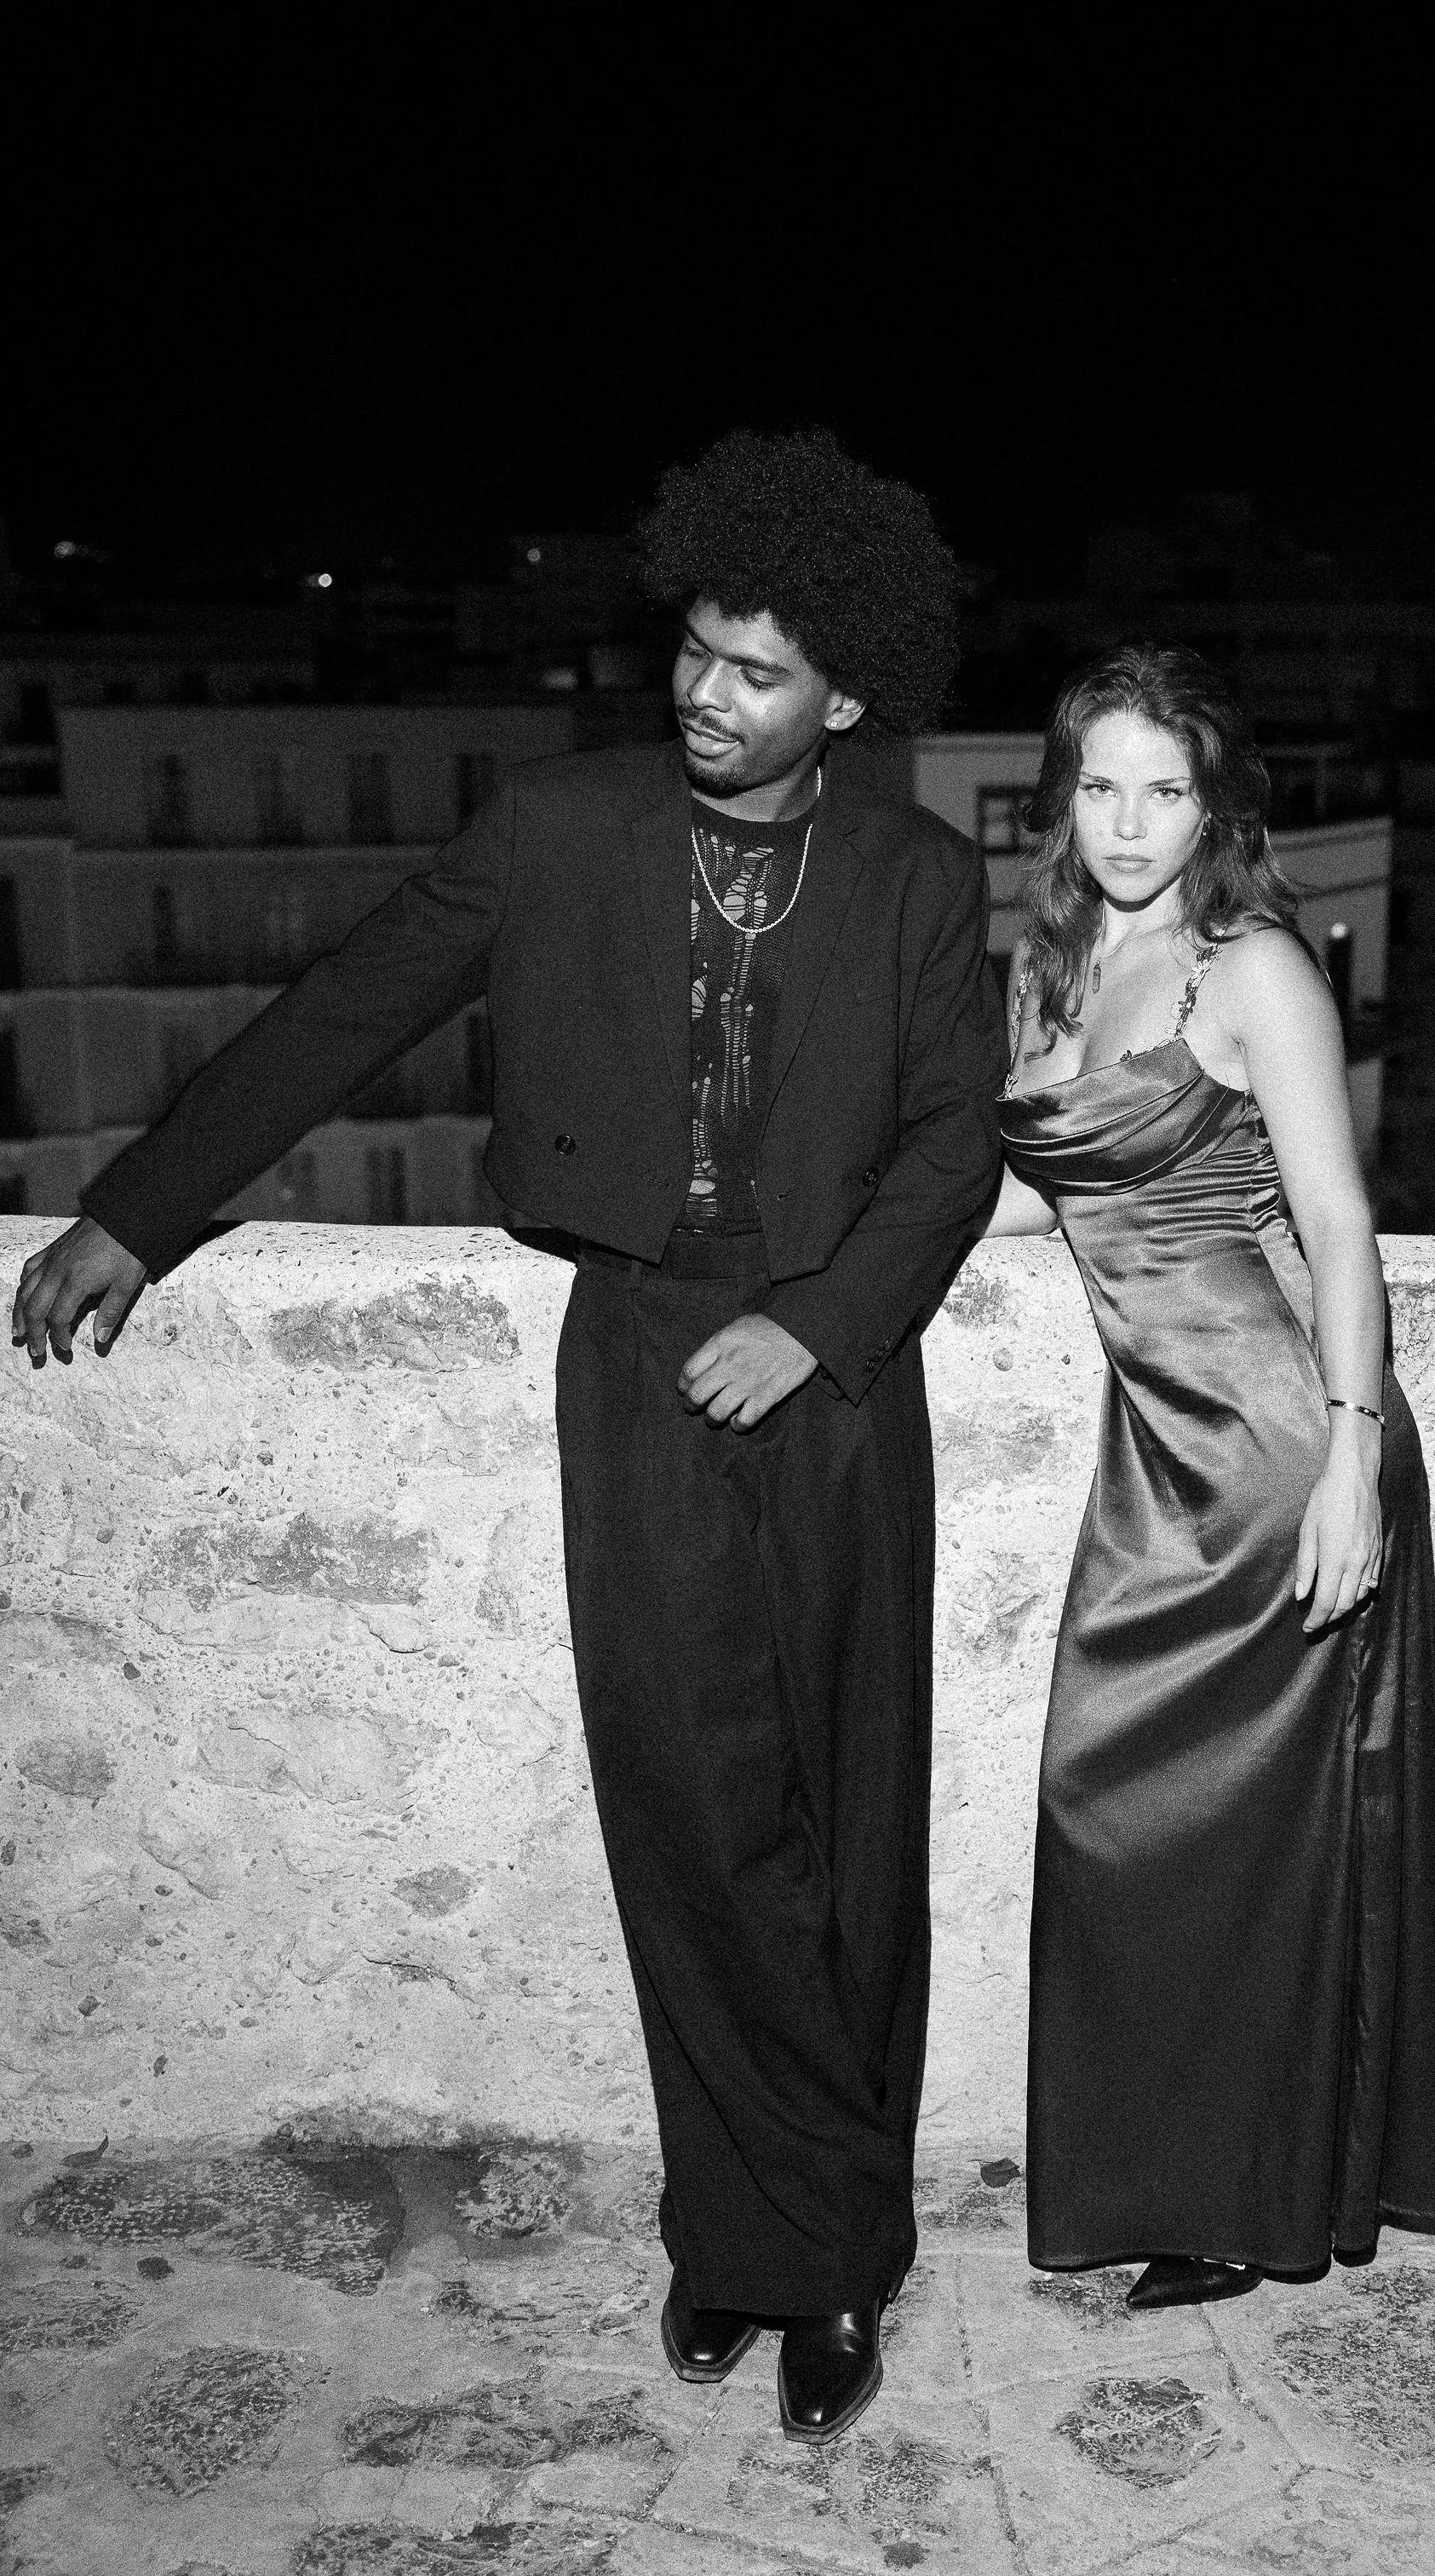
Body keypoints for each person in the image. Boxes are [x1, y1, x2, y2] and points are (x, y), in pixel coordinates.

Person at [11, 428, 1007, 2441]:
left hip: (832, 1392)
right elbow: (343, 1006)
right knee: (692, 1827)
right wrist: (136, 1209)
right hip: (634, 1358)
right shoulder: (560, 828)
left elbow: (950, 1148)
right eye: (698, 657)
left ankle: (842, 2250)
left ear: (852, 699)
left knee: (844, 1824)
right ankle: (749, 2242)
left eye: (756, 676)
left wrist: (814, 1332)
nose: (706, 699)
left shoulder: (914, 872)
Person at [985, 643, 1435, 2307]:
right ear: (1065, 799)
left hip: (1274, 1449)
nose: (1130, 819)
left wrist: (1355, 1453)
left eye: (1165, 788)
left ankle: (1234, 2201)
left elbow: (1333, 1222)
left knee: (1256, 1837)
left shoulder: (1251, 967)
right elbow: (1023, 1201)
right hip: (1152, 1455)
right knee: (1113, 1814)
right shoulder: (1042, 974)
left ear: (1213, 806)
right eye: (1102, 783)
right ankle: (1191, 2178)